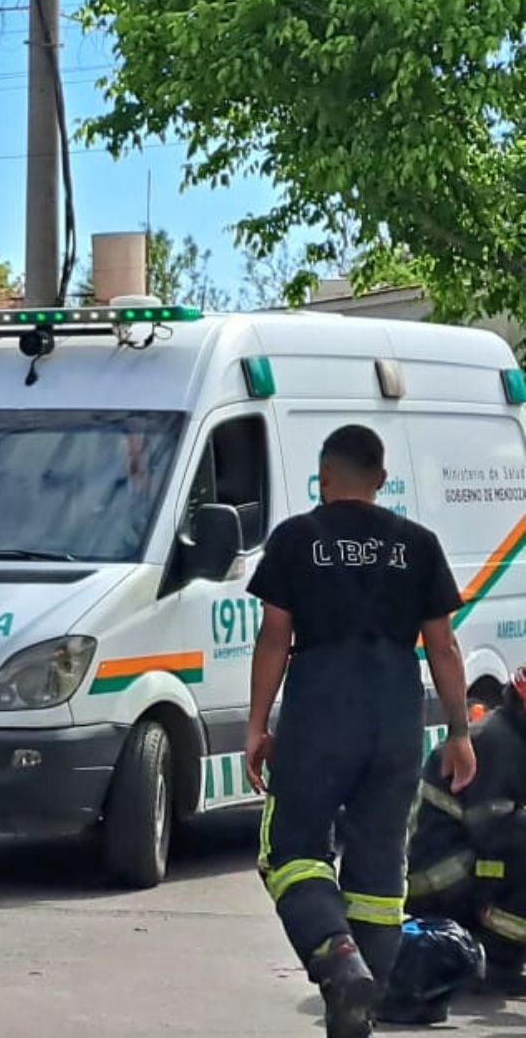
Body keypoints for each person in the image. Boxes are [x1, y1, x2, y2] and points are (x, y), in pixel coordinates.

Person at [244, 424, 477, 1038]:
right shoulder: (418, 543)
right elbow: (444, 646)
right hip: (397, 709)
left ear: (323, 481)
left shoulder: (296, 539)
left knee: (290, 851)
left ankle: (338, 960)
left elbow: (274, 636)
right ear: (380, 479)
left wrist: (256, 726)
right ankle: (359, 1006)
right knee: (378, 868)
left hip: (321, 706)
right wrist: (459, 732)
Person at [406, 670, 526, 994]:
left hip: (458, 858)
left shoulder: (514, 737)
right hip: (436, 876)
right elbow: (495, 831)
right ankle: (499, 960)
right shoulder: (496, 741)